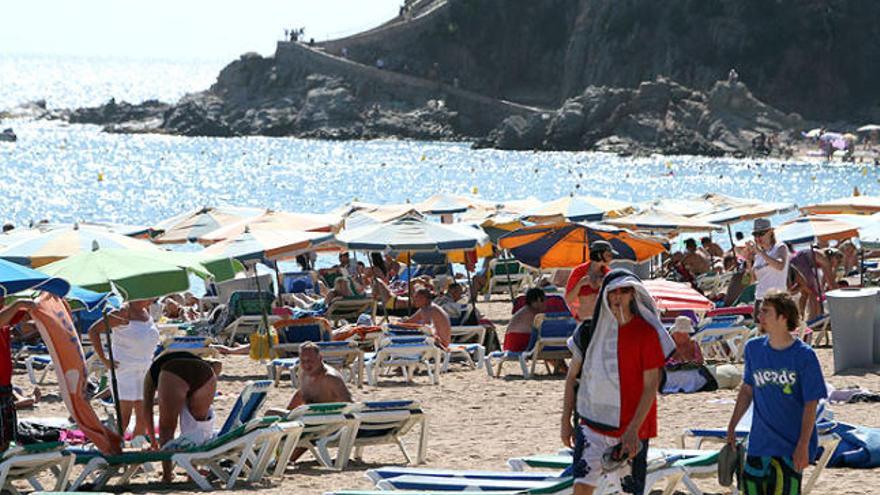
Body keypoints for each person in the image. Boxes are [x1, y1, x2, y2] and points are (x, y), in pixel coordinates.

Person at [561, 270, 674, 495]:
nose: (618, 296)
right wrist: (566, 421)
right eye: (614, 291)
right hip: (593, 424)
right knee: (581, 488)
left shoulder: (646, 333)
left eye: (625, 290)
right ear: (605, 294)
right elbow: (572, 378)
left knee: (628, 492)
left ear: (634, 294)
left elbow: (651, 384)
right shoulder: (588, 332)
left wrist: (632, 430)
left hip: (631, 428)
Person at [726, 291, 826, 495]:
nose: (759, 316)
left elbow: (811, 404)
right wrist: (732, 425)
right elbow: (747, 390)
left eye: (765, 312)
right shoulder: (753, 348)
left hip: (791, 447)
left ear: (783, 317)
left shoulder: (804, 355)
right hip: (759, 444)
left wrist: (804, 445)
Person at [266, 342, 352, 463]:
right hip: (308, 421)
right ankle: (277, 459)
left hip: (326, 426)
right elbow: (302, 394)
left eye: (310, 360)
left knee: (293, 425)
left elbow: (349, 406)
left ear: (320, 358)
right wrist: (289, 413)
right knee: (272, 415)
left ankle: (281, 459)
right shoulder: (304, 373)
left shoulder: (331, 379)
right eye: (303, 360)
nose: (306, 365)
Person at [88, 299, 160, 442]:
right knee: (124, 417)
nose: (153, 298)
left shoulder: (147, 311)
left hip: (144, 369)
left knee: (143, 415)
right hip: (124, 369)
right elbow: (94, 331)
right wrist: (104, 359)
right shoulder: (122, 313)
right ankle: (115, 449)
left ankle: (136, 450)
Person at [143, 352, 221, 482]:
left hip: (173, 370)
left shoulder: (150, 375)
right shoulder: (198, 360)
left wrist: (153, 440)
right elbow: (218, 365)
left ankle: (167, 475)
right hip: (205, 372)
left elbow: (147, 407)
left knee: (167, 428)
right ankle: (192, 472)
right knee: (197, 425)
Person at [0, 298, 36, 451]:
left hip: (4, 385)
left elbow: (28, 315)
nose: (3, 298)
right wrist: (18, 303)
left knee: (7, 437)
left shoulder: (5, 312)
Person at [747, 218, 790, 317]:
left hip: (777, 298)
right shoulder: (758, 255)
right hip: (760, 299)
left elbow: (780, 266)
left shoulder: (780, 247)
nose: (758, 238)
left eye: (761, 233)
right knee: (762, 331)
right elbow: (751, 280)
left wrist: (760, 252)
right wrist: (748, 261)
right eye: (755, 234)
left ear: (771, 232)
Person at [564, 240, 616, 322]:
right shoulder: (579, 272)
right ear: (599, 255)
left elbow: (615, 300)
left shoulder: (608, 274)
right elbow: (567, 300)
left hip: (602, 321)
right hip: (582, 321)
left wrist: (605, 287)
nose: (611, 258)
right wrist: (580, 284)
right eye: (608, 255)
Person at [505, 288, 545, 352]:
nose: (545, 303)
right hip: (519, 343)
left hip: (511, 343)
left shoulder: (525, 310)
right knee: (547, 343)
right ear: (539, 299)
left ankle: (559, 361)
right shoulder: (533, 313)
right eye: (544, 300)